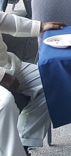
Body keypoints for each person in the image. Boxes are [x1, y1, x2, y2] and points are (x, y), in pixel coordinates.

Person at [0, 11, 65, 156]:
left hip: (8, 65)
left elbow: (4, 20)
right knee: (5, 102)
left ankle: (23, 143)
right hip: (2, 74)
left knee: (53, 81)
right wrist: (2, 76)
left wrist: (39, 26)